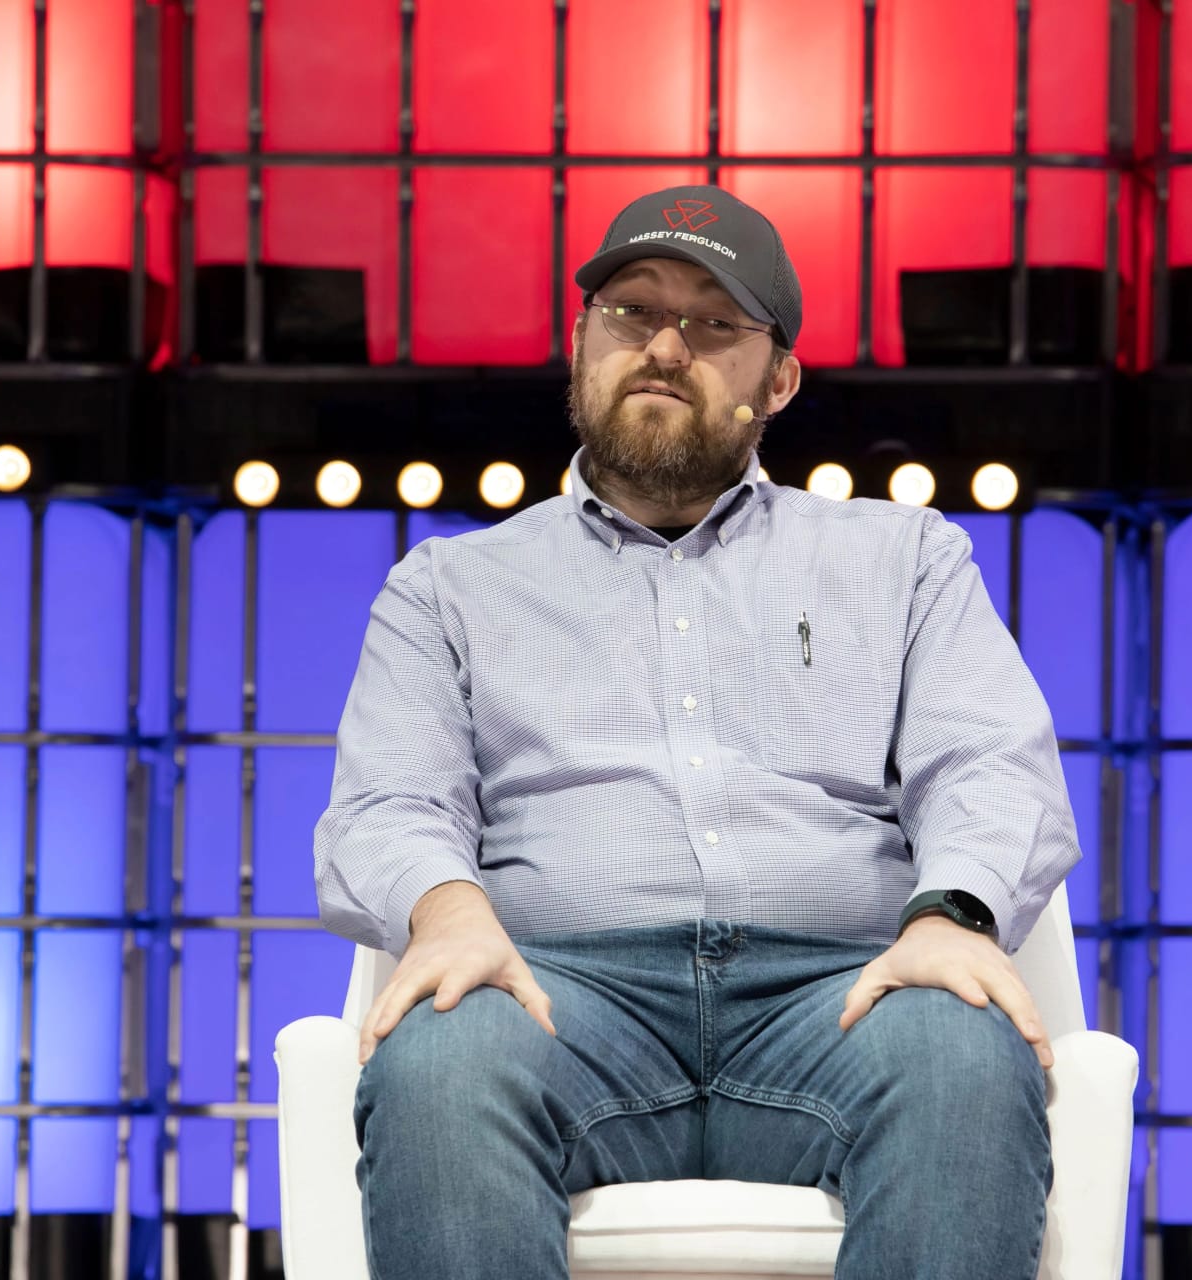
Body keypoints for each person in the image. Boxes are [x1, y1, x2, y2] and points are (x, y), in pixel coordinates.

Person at [312, 184, 1082, 1280]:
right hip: (562, 1002)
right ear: (581, 342)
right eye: (632, 311)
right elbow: (391, 800)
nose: (666, 347)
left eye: (715, 323)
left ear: (779, 379)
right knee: (444, 1057)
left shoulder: (905, 559)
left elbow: (991, 763)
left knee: (957, 1049)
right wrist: (445, 913)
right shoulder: (448, 588)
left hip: (840, 999)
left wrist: (953, 916)